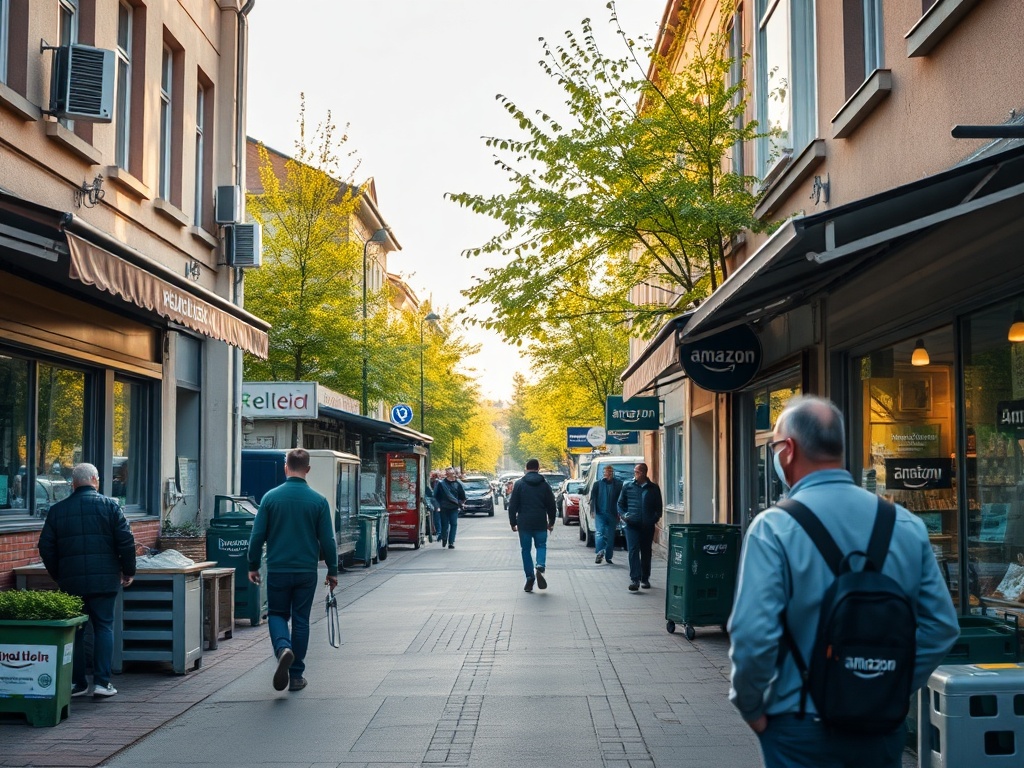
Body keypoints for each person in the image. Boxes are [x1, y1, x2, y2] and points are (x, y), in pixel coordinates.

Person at [727, 395, 959, 768]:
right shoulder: (906, 526)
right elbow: (942, 628)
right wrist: (887, 685)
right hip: (880, 727)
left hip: (799, 723)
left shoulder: (773, 528)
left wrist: (750, 705)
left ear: (787, 450)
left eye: (774, 446)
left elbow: (753, 635)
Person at [37, 462, 136, 699]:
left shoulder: (58, 510)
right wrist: (128, 571)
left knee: (77, 631)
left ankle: (78, 683)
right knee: (104, 627)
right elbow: (126, 541)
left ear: (73, 483)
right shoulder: (110, 507)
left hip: (71, 582)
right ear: (95, 479)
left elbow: (45, 546)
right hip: (104, 581)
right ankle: (102, 682)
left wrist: (58, 574)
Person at [247, 448, 339, 693]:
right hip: (306, 571)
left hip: (278, 569)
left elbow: (257, 536)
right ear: (308, 470)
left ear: (285, 467)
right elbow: (328, 540)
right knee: (301, 619)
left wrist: (252, 565)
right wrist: (333, 570)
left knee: (277, 614)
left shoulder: (270, 498)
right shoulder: (318, 501)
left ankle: (282, 648)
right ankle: (296, 675)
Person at [507, 458, 556, 592]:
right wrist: (551, 522)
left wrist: (513, 522)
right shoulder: (544, 485)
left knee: (525, 550)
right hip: (540, 521)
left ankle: (529, 576)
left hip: (524, 523)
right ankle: (540, 565)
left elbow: (513, 505)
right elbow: (552, 505)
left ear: (526, 468)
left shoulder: (519, 484)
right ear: (538, 468)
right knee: (541, 545)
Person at [617, 462, 662, 591]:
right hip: (632, 525)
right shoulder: (628, 486)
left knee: (646, 552)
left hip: (647, 526)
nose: (634, 474)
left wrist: (653, 518)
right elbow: (620, 504)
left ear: (643, 473)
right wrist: (625, 516)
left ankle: (645, 578)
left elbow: (658, 507)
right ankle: (635, 579)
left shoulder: (653, 488)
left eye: (636, 472)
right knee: (633, 551)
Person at [590, 465, 623, 565]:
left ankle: (608, 556)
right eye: (606, 473)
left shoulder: (618, 484)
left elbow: (621, 499)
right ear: (603, 473)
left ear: (612, 473)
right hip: (600, 513)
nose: (607, 474)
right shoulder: (597, 484)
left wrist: (620, 513)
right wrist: (592, 510)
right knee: (599, 533)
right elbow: (593, 498)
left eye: (610, 472)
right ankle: (600, 552)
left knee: (610, 536)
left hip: (613, 513)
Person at [433, 467, 465, 549]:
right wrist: (437, 506)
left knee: (454, 524)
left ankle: (451, 542)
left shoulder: (457, 484)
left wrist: (461, 503)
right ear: (447, 474)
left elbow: (462, 496)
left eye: (453, 473)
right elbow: (435, 496)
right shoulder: (441, 484)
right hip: (444, 508)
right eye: (451, 473)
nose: (453, 475)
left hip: (454, 507)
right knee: (445, 526)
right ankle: (444, 538)